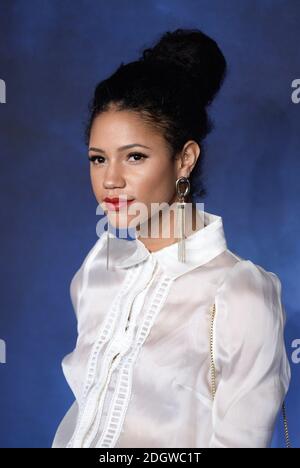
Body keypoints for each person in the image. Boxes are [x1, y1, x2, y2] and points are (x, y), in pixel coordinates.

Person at [52, 28, 291, 448]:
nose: (110, 179)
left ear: (184, 158)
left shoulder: (239, 294)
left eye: (135, 157)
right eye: (98, 159)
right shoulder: (97, 274)